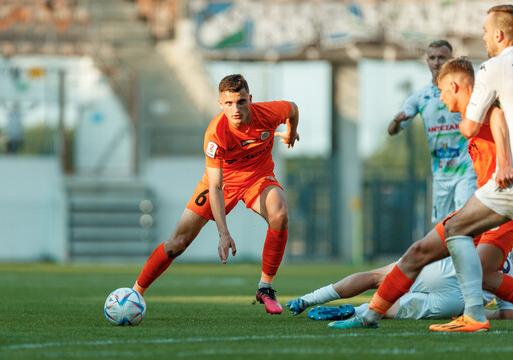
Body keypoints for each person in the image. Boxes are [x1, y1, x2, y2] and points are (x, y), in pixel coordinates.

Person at [327, 57, 513, 332]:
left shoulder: (481, 105)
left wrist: (505, 162)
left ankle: (471, 317)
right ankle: (369, 316)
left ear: (453, 86)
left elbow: (496, 114)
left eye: (441, 91)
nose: (440, 97)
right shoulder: (468, 117)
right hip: (488, 202)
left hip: (498, 203)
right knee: (426, 254)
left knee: (443, 252)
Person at [131, 74, 300, 314]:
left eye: (241, 101)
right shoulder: (216, 134)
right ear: (220, 104)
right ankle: (135, 292)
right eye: (229, 104)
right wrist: (224, 233)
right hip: (221, 183)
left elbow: (293, 109)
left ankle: (265, 287)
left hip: (258, 178)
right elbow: (216, 187)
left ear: (250, 99)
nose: (236, 109)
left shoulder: (269, 113)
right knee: (177, 244)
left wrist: (292, 131)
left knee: (280, 214)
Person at [431, 5, 513, 331]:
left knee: (454, 232)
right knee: (484, 269)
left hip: (503, 184)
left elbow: (474, 123)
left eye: (484, 31)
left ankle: (474, 316)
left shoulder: (492, 67)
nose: (482, 37)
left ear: (498, 35)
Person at [388, 40, 477, 224]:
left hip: (466, 170)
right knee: (441, 227)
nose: (437, 62)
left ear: (450, 60)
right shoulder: (420, 97)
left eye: (442, 58)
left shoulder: (466, 91)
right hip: (441, 174)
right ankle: (449, 255)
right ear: (427, 61)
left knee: (464, 222)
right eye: (432, 58)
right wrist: (396, 121)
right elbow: (392, 131)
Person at [286, 255, 513, 321]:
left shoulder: (496, 220)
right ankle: (356, 311)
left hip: (441, 269)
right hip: (459, 300)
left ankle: (308, 299)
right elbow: (507, 314)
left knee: (376, 277)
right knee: (391, 309)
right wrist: (470, 311)